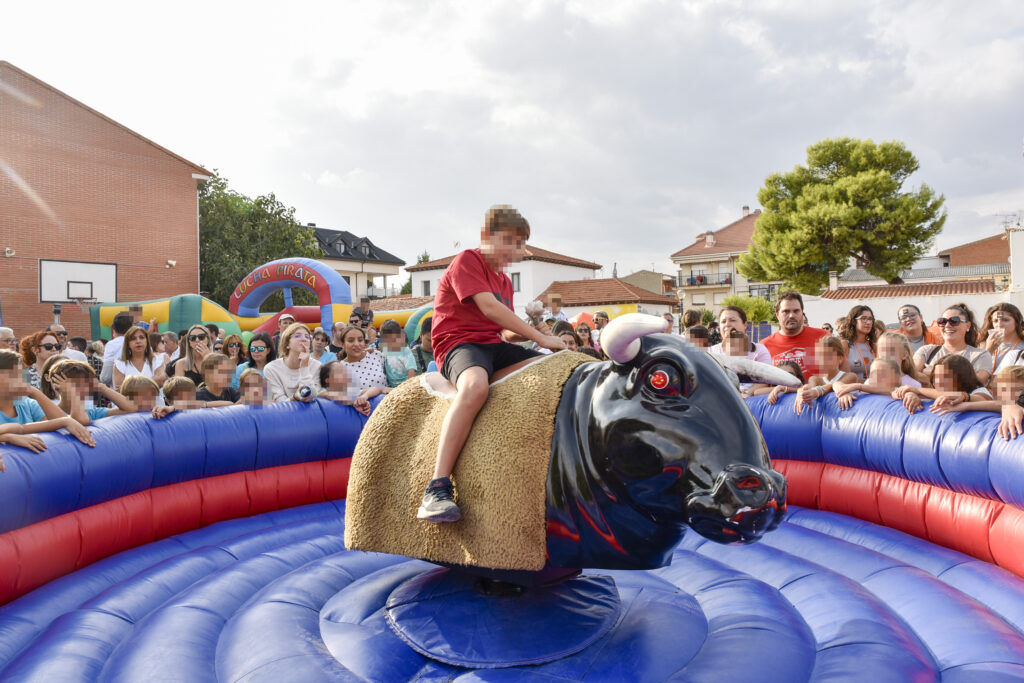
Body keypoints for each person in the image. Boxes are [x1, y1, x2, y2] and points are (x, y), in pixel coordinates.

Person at [418, 205, 565, 523]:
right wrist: (541, 339)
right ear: (486, 236)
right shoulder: (467, 260)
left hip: (491, 345)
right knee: (474, 387)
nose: (518, 250)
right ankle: (436, 487)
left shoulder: (505, 283)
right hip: (459, 343)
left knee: (557, 370)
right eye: (511, 241)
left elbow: (506, 332)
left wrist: (539, 330)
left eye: (520, 244)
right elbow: (487, 308)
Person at [0, 350, 95, 460]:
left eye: (21, 374)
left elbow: (59, 424)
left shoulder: (28, 404)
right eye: (13, 374)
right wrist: (7, 437)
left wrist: (34, 392)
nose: (20, 380)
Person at [913, 303, 992, 385]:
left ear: (968, 326)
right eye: (942, 321)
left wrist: (934, 372)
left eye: (954, 321)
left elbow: (974, 383)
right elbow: (912, 374)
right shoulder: (927, 351)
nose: (947, 325)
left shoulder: (981, 355)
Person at [760, 291, 828, 378]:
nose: (791, 315)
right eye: (786, 311)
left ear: (802, 313)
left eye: (796, 311)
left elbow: (842, 374)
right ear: (777, 315)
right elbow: (759, 384)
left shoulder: (823, 337)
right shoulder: (764, 346)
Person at [896, 354, 992, 415]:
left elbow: (983, 399)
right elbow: (895, 392)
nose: (938, 382)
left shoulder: (978, 391)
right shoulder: (932, 391)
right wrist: (910, 394)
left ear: (962, 379)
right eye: (936, 377)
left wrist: (917, 390)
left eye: (945, 377)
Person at [45, 359, 134, 424]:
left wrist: (101, 387)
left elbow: (130, 408)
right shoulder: (49, 413)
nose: (85, 390)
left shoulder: (91, 411)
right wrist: (73, 392)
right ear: (58, 387)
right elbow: (79, 421)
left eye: (87, 385)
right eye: (77, 386)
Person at [793, 336, 856, 414]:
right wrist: (802, 391)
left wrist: (817, 391)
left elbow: (833, 386)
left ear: (840, 358)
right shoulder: (815, 379)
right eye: (820, 356)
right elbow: (809, 387)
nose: (823, 360)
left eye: (828, 356)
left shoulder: (850, 376)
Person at [263, 322, 322, 403]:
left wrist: (304, 367)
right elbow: (280, 402)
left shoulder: (317, 366)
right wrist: (295, 397)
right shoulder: (271, 369)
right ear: (287, 344)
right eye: (297, 336)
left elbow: (310, 397)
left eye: (307, 337)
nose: (304, 339)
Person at [113, 326, 167, 392]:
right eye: (133, 338)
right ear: (127, 343)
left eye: (142, 337)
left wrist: (130, 387)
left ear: (147, 341)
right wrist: (152, 382)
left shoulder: (157, 360)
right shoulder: (120, 364)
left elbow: (161, 381)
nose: (138, 341)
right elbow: (120, 391)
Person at [978, 303, 1024, 380]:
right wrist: (988, 350)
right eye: (995, 321)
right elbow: (975, 375)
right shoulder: (984, 345)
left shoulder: (1022, 347)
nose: (999, 325)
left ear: (1016, 323)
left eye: (1005, 320)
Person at [837, 358, 904, 411]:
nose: (877, 378)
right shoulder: (865, 388)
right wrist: (844, 393)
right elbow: (836, 384)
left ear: (896, 379)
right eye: (873, 374)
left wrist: (860, 386)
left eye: (883, 375)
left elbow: (891, 391)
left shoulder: (896, 392)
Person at [338, 325, 388, 394]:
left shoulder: (376, 355)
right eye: (350, 340)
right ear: (342, 344)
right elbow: (343, 394)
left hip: (388, 402)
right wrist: (379, 390)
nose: (356, 344)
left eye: (360, 340)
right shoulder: (340, 368)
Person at [839, 305, 879, 382]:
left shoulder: (873, 346)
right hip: (850, 391)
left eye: (870, 319)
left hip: (872, 392)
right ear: (853, 321)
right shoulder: (845, 345)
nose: (868, 322)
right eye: (863, 318)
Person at [380, 320, 416, 387]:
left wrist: (411, 387)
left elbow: (411, 371)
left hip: (405, 386)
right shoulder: (385, 351)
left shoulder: (405, 350)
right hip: (392, 388)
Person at [101, 312, 133, 385]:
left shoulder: (111, 345)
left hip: (118, 390)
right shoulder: (142, 343)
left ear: (113, 328)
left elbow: (105, 377)